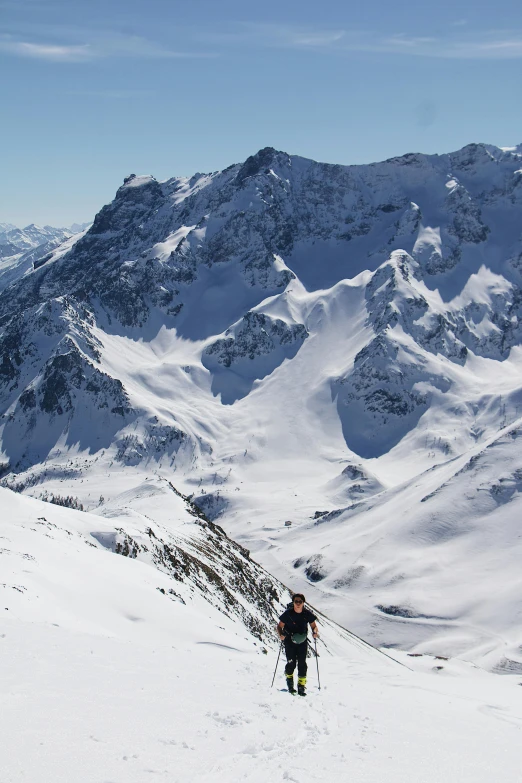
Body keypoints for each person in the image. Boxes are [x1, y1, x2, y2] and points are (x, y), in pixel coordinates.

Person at [277, 593, 319, 696]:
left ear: (303, 603)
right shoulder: (288, 614)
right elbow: (279, 626)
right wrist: (281, 634)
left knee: (302, 664)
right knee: (291, 663)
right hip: (289, 642)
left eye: (300, 601)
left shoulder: (306, 614)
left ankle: (301, 687)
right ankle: (290, 685)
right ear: (293, 602)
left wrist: (315, 632)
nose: (298, 604)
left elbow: (314, 626)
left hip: (302, 643)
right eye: (296, 601)